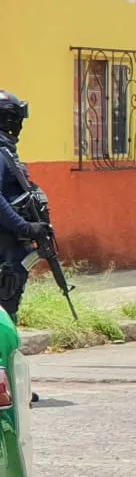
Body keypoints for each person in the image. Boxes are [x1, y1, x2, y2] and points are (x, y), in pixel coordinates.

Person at [0, 91, 50, 323]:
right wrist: (26, 228)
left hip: (13, 246)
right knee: (5, 313)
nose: (19, 126)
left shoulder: (7, 151)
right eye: (17, 120)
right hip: (5, 248)